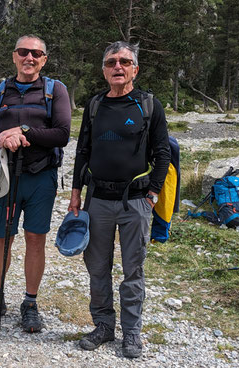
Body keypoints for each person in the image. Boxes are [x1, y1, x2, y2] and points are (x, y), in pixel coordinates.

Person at [68, 41, 171, 359]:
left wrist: (152, 194)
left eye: (125, 62)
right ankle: (103, 326)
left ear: (135, 70)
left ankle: (132, 334)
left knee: (133, 270)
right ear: (104, 70)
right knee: (97, 267)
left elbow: (163, 152)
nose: (118, 67)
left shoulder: (149, 105)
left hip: (136, 202)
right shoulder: (95, 105)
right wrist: (75, 193)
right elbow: (83, 150)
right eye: (111, 62)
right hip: (96, 200)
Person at [0, 35, 71, 333]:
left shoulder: (56, 90)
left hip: (41, 177)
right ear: (14, 56)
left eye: (36, 54)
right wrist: (4, 138)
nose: (30, 58)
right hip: (4, 176)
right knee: (1, 239)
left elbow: (62, 133)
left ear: (44, 59)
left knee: (35, 240)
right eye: (23, 52)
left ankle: (30, 302)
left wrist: (23, 131)